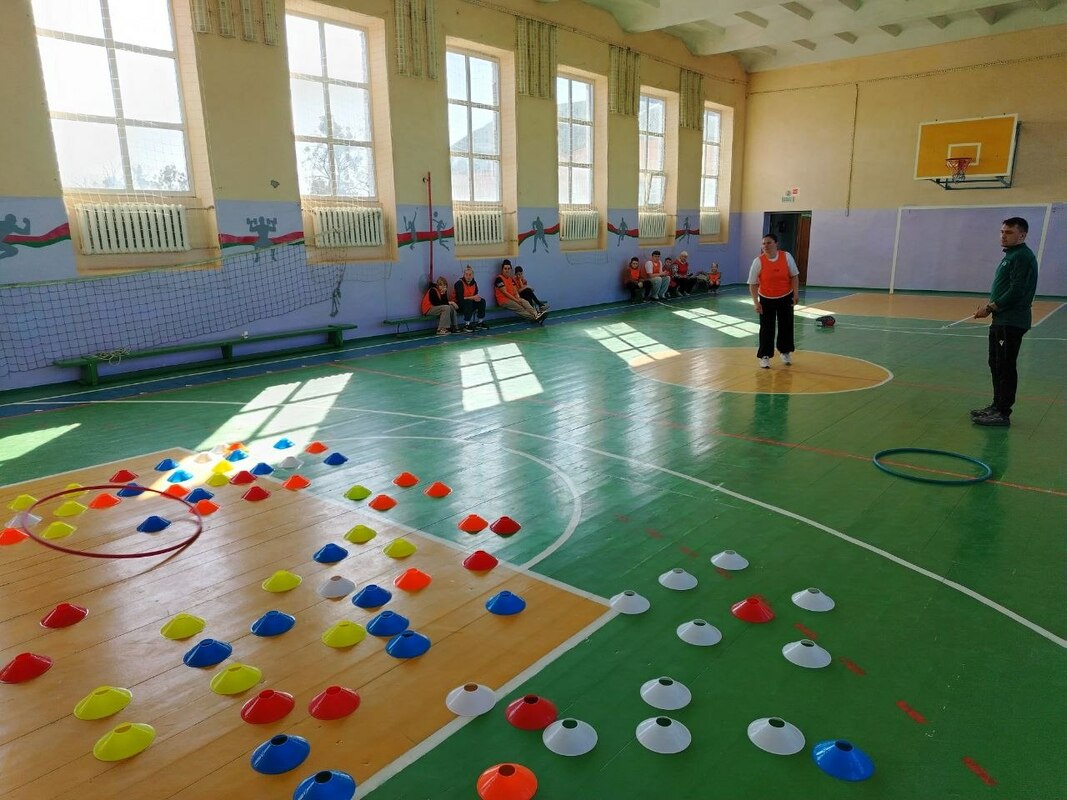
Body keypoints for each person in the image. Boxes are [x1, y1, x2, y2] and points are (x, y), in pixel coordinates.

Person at [970, 217, 1039, 427]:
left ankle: (1003, 412)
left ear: (1022, 235)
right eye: (1002, 232)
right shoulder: (1011, 255)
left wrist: (991, 307)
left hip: (1011, 322)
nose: (1003, 236)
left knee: (1005, 366)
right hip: (1001, 321)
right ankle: (996, 405)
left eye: (1009, 232)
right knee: (996, 363)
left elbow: (1017, 290)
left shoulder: (1022, 256)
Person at [748, 233, 799, 368]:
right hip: (766, 299)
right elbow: (753, 284)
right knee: (766, 328)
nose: (766, 246)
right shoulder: (758, 261)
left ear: (776, 244)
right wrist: (756, 302)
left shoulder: (786, 257)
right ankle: (765, 356)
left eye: (769, 243)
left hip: (786, 297)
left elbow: (794, 276)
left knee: (786, 326)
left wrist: (796, 294)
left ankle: (785, 352)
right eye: (763, 243)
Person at [494, 259, 545, 323]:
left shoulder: (511, 279)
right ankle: (535, 318)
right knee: (520, 308)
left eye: (508, 269)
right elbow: (505, 293)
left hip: (513, 298)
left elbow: (515, 291)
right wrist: (516, 300)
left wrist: (518, 298)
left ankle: (536, 314)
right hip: (504, 300)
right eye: (505, 269)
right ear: (502, 270)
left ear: (511, 270)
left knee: (525, 302)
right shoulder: (499, 279)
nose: (507, 270)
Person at [454, 265, 487, 331]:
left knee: (482, 301)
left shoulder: (474, 283)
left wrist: (477, 298)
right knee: (468, 302)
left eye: (470, 275)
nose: (468, 276)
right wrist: (473, 297)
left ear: (473, 275)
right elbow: (460, 299)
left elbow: (475, 296)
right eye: (466, 274)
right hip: (458, 305)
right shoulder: (459, 283)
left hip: (470, 304)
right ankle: (467, 325)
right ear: (464, 275)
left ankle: (480, 322)